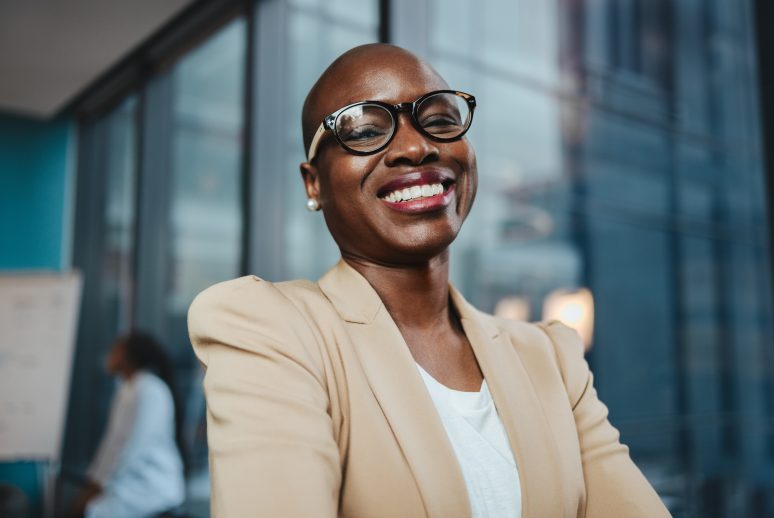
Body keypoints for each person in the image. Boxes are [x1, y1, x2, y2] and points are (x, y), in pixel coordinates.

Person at [187, 43, 669, 517]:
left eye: (438, 120)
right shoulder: (270, 329)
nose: (416, 147)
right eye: (365, 129)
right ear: (314, 183)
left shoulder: (550, 357)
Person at [67, 332, 186, 518]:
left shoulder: (151, 390)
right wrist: (94, 481)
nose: (109, 355)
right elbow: (111, 444)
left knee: (88, 511)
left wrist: (101, 485)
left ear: (130, 357)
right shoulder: (126, 389)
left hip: (151, 489)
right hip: (127, 485)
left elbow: (136, 447)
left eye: (115, 350)